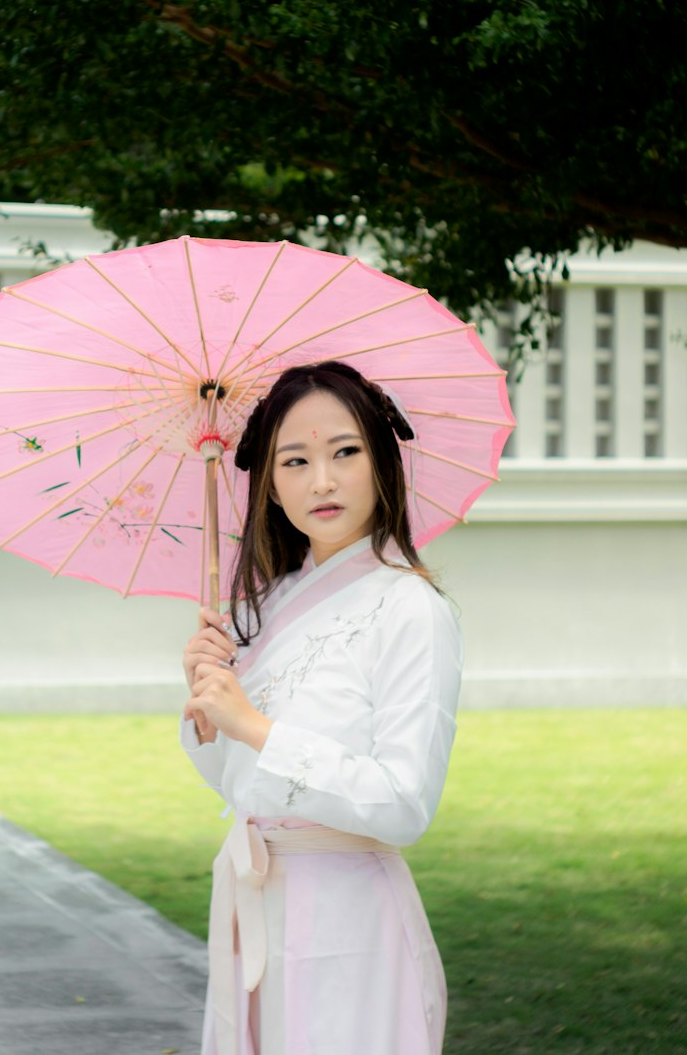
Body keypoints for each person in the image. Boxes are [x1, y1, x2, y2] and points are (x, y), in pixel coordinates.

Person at [180, 360, 463, 1055]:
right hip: (259, 908)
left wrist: (255, 726)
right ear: (270, 485)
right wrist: (210, 704)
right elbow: (234, 782)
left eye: (345, 452)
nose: (323, 481)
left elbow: (405, 800)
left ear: (381, 461)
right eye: (296, 461)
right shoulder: (264, 606)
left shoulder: (410, 609)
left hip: (349, 922)